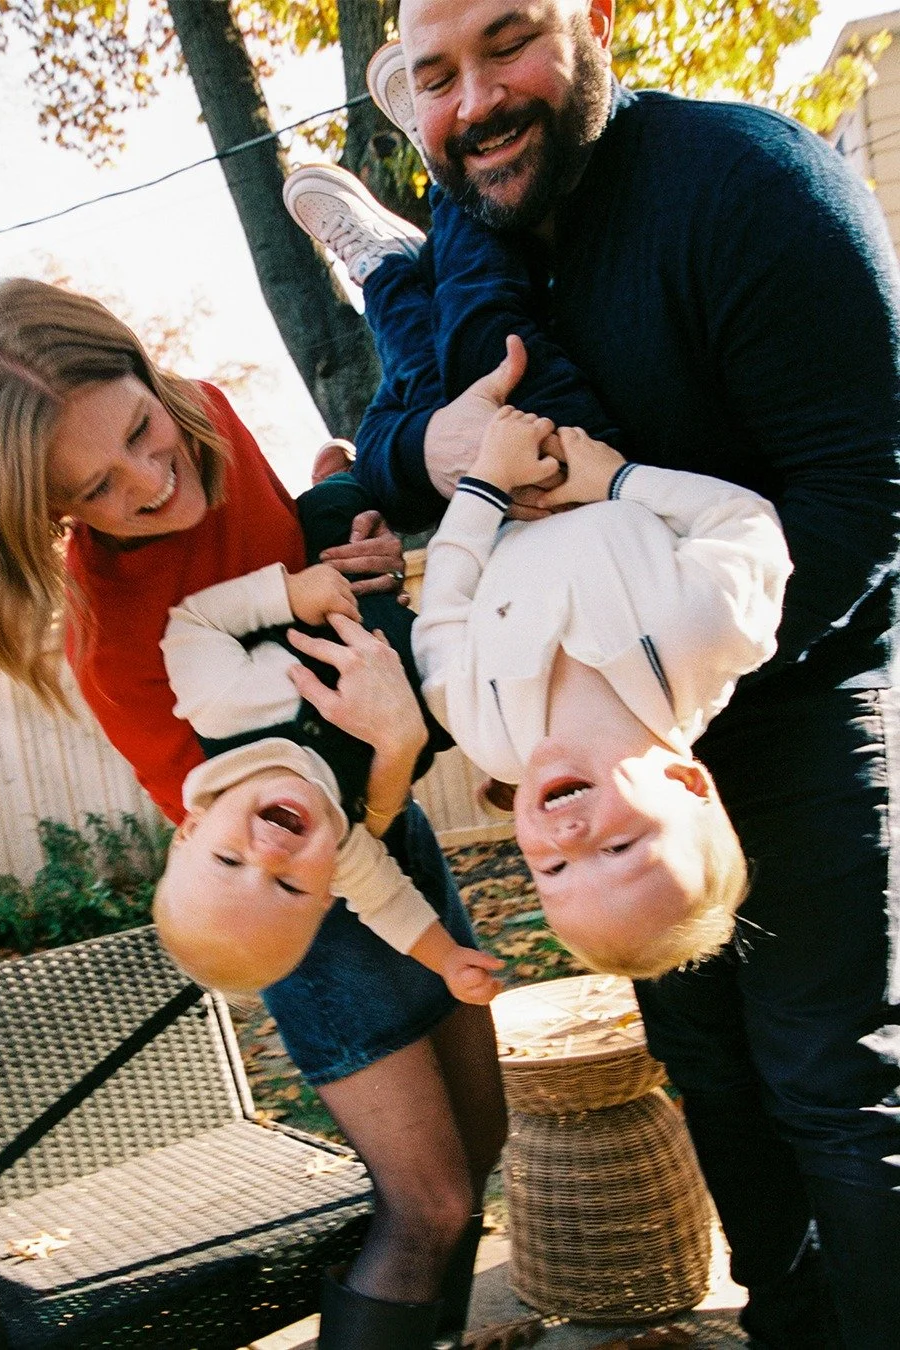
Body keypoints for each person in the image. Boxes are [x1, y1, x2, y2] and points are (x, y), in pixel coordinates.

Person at [295, 2, 900, 1345]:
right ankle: (790, 1325)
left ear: (597, 20)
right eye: (432, 77)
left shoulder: (750, 189)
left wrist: (662, 684)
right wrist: (441, 461)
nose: (473, 103)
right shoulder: (488, 223)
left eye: (507, 44)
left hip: (778, 684)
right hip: (627, 725)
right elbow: (404, 441)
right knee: (706, 1068)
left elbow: (863, 504)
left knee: (828, 1074)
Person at [0, 277, 525, 1350]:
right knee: (432, 1203)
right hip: (295, 895)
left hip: (389, 826)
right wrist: (397, 746)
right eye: (98, 483)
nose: (152, 477)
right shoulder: (115, 640)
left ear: (146, 373)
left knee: (484, 1136)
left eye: (140, 429)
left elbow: (292, 576)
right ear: (54, 510)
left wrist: (350, 553)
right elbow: (285, 839)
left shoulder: (207, 415)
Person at [413, 403, 790, 978]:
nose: (568, 836)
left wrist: (485, 483)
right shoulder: (705, 641)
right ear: (688, 784)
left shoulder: (487, 734)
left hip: (489, 463)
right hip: (592, 426)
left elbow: (443, 606)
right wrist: (616, 479)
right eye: (618, 850)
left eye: (554, 871)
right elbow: (742, 520)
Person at [154, 479, 503, 1003]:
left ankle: (340, 467)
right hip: (438, 671)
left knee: (334, 507)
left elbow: (191, 624)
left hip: (348, 589)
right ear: (323, 898)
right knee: (494, 703)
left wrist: (287, 594)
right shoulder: (340, 852)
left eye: (229, 860)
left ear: (193, 827)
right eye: (289, 887)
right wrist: (449, 960)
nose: (270, 856)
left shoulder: (222, 705)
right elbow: (388, 905)